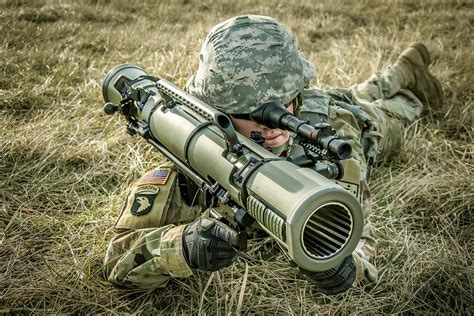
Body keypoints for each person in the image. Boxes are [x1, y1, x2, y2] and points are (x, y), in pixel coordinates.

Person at [104, 15, 442, 294]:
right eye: (254, 112)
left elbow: (361, 248)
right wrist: (183, 246)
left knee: (392, 110)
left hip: (363, 126)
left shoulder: (334, 135)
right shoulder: (196, 150)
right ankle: (399, 71)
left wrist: (342, 269)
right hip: (325, 105)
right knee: (355, 92)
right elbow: (116, 264)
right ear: (217, 110)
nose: (275, 124)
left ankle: (406, 78)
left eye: (287, 99)